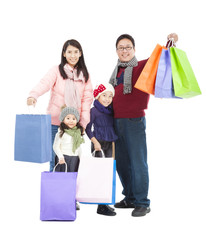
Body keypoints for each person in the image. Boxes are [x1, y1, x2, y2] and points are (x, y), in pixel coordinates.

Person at [109, 33, 178, 217]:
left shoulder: (140, 66)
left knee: (138, 163)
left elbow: (161, 58)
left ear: (134, 49)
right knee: (122, 163)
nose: (124, 50)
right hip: (116, 122)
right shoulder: (116, 72)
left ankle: (142, 202)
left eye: (128, 47)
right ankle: (130, 197)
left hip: (134, 122)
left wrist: (171, 43)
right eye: (121, 48)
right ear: (116, 51)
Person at [27, 39, 93, 171]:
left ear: (80, 53)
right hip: (55, 123)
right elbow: (44, 83)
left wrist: (84, 122)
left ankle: (68, 190)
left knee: (73, 162)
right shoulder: (56, 71)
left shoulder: (84, 74)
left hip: (74, 125)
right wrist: (33, 95)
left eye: (76, 52)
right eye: (69, 52)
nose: (72, 55)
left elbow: (87, 99)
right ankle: (54, 190)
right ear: (64, 54)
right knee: (55, 160)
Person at [85, 83, 118, 216]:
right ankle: (100, 206)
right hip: (99, 144)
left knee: (108, 173)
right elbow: (87, 128)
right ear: (98, 96)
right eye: (104, 95)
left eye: (110, 96)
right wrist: (94, 141)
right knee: (100, 173)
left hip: (110, 144)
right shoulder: (94, 111)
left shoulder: (111, 111)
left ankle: (105, 202)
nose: (107, 99)